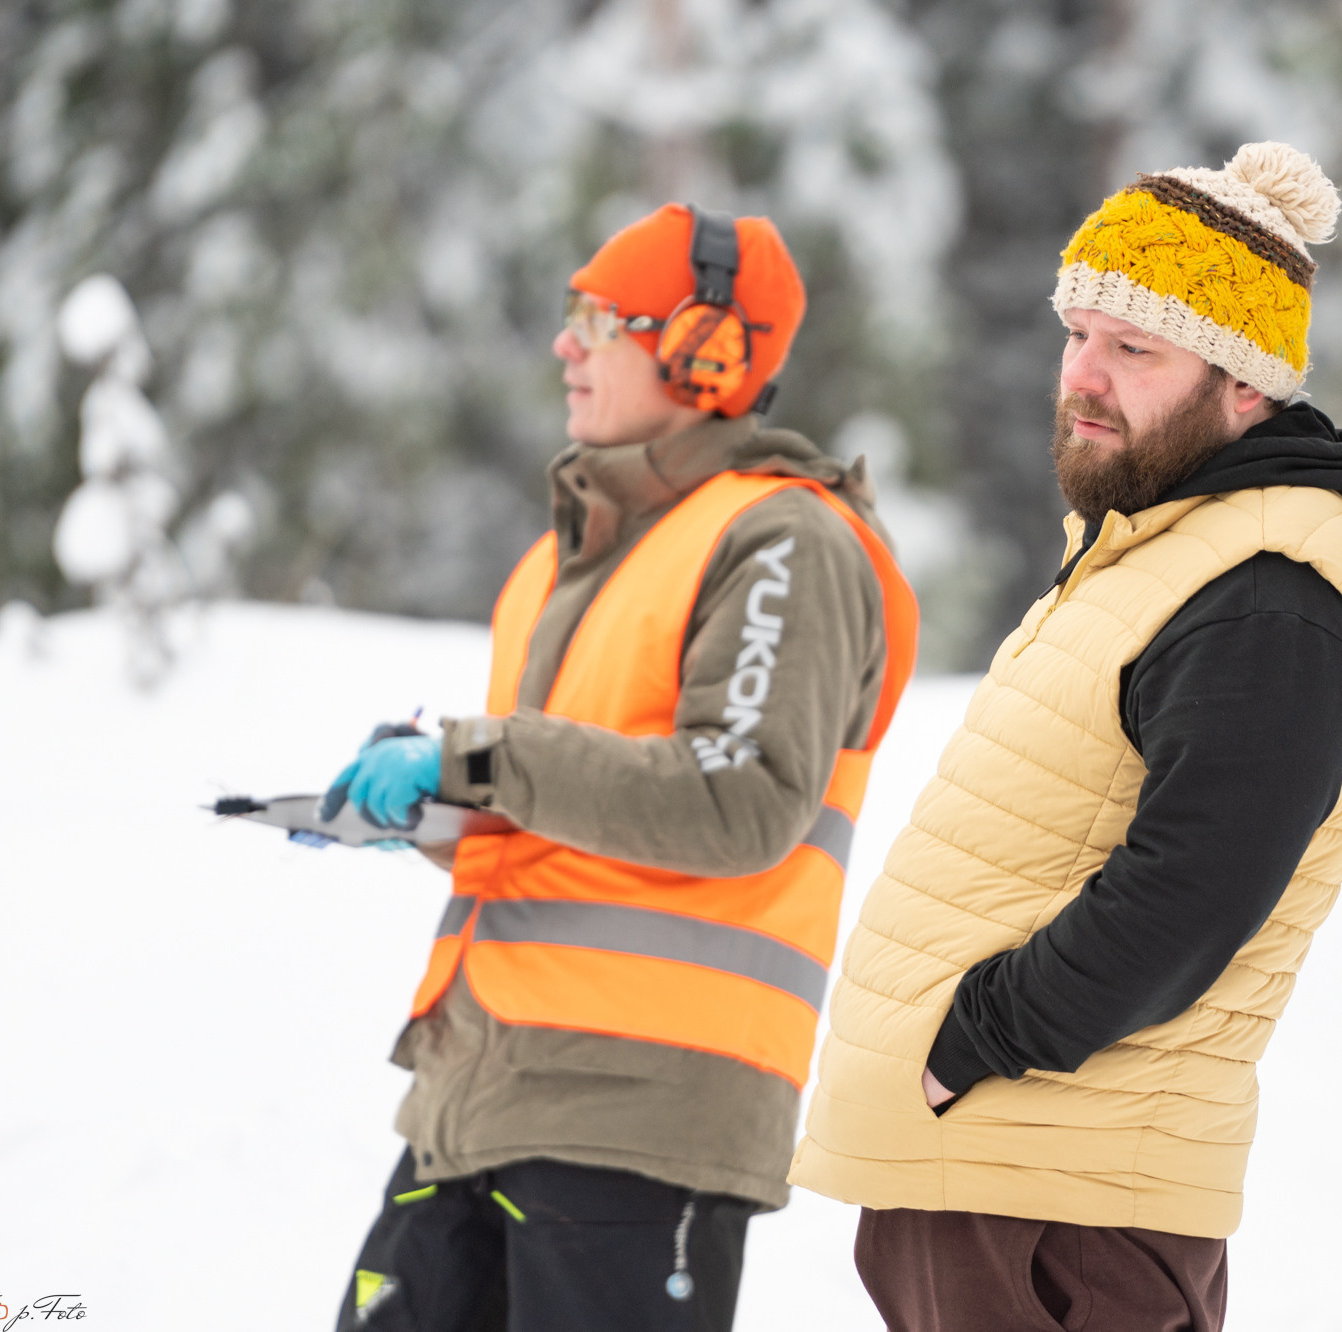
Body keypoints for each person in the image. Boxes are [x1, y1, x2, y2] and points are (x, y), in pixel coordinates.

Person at [789, 142, 1342, 1330]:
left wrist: (974, 1039)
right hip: (1007, 1176)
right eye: (1076, 332)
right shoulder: (1158, 555)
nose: (1083, 374)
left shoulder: (1266, 593)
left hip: (1059, 1199)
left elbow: (1192, 893)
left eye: (1133, 348)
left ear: (1242, 384)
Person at [325, 202, 918, 1332]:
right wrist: (437, 806)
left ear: (708, 352)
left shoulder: (785, 542)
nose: (566, 343)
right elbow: (567, 809)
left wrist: (481, 757)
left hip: (638, 1128)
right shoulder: (571, 562)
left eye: (600, 318)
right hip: (479, 1095)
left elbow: (741, 800)